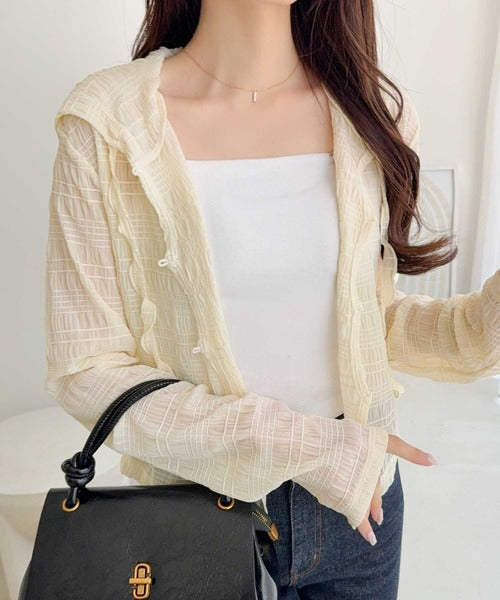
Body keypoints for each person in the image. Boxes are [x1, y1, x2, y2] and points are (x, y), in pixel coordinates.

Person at [44, 1, 500, 598]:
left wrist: (488, 323)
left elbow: (371, 322)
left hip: (363, 514)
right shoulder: (105, 121)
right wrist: (311, 449)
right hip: (196, 517)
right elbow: (86, 370)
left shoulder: (373, 112)